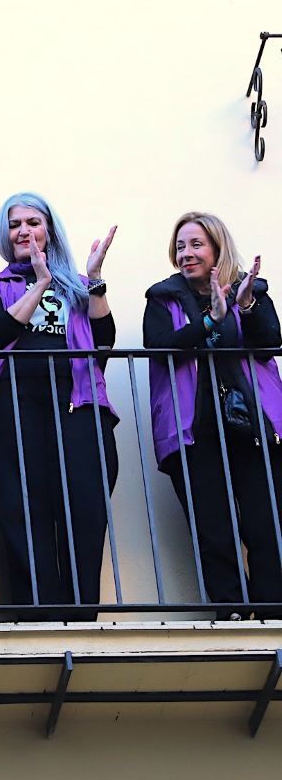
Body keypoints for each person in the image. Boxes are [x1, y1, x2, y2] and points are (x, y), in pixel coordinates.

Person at [0, 193, 119, 616]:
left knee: (84, 509)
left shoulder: (77, 286)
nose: (23, 231)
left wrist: (94, 276)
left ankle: (80, 615)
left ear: (48, 230)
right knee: (21, 510)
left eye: (32, 222)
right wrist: (38, 284)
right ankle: (39, 615)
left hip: (77, 404)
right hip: (12, 406)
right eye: (15, 224)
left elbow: (103, 339)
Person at [143, 212, 282, 617]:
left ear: (218, 248)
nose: (186, 254)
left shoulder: (250, 290)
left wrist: (248, 304)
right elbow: (159, 346)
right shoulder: (162, 298)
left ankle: (273, 612)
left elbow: (270, 340)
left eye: (196, 245)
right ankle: (232, 611)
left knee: (266, 524)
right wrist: (210, 321)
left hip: (254, 426)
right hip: (194, 429)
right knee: (213, 528)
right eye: (181, 247)